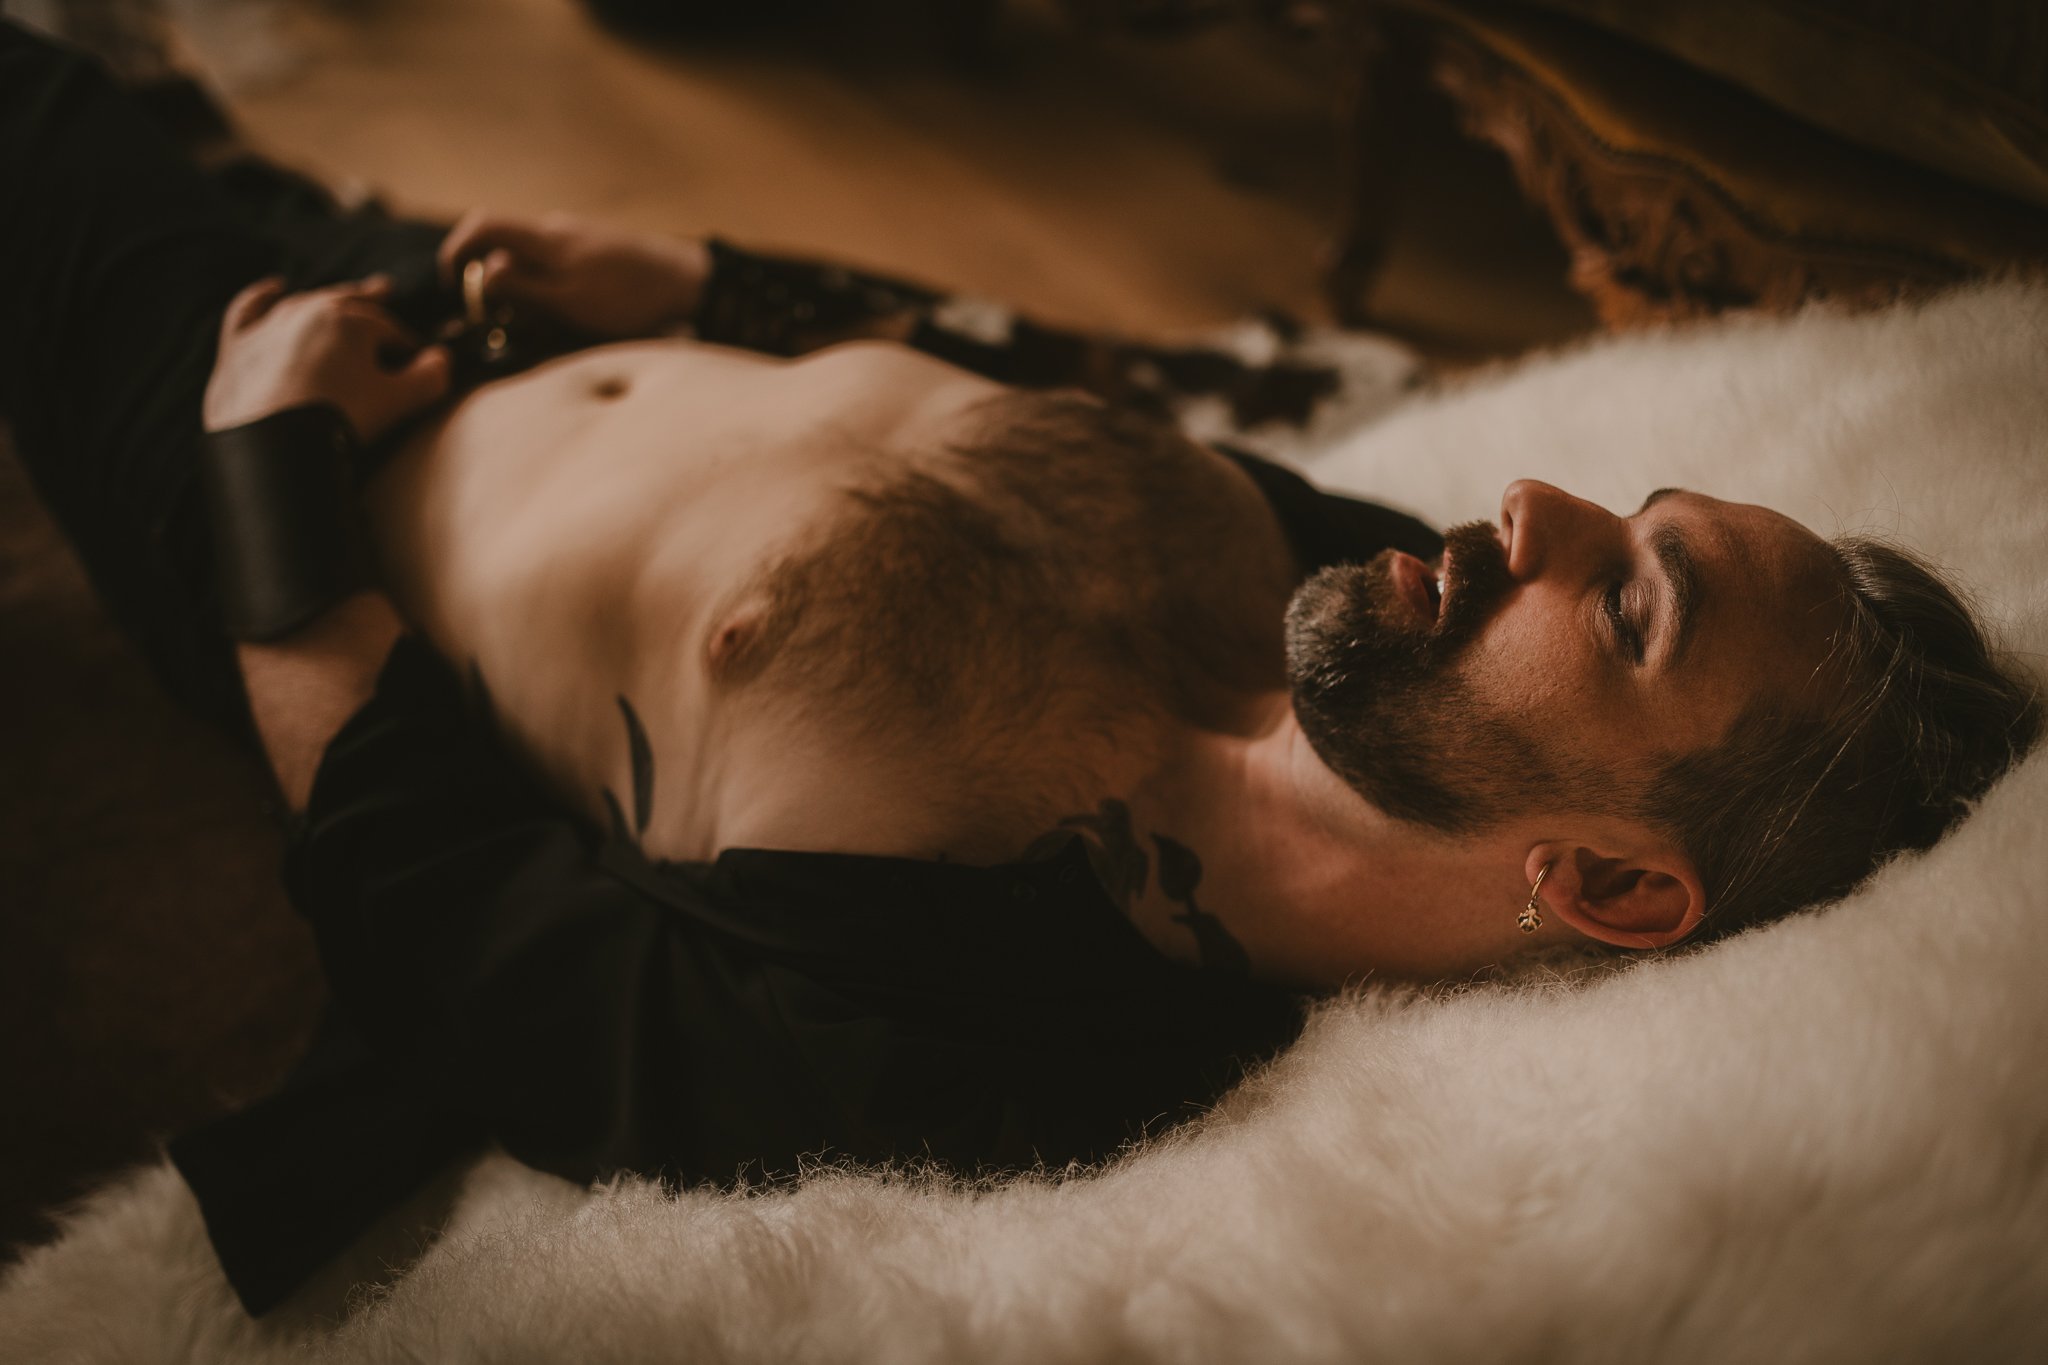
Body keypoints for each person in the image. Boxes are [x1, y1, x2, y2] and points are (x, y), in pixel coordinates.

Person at [3, 21, 2037, 1315]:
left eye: (1625, 604)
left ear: (1602, 883)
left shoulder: (993, 1034)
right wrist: (718, 286)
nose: (1531, 506)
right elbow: (1038, 404)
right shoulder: (1345, 597)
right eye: (1619, 509)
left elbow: (451, 922)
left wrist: (266, 484)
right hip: (489, 296)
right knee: (192, 162)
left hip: (290, 459)